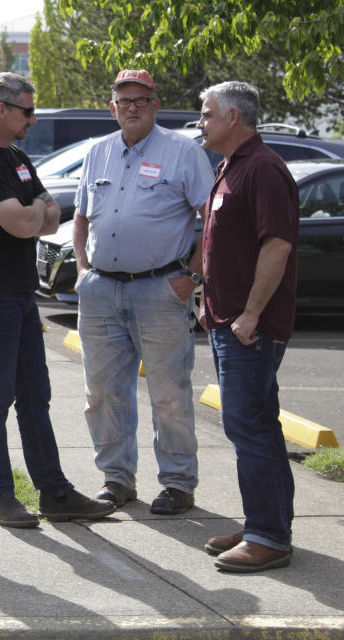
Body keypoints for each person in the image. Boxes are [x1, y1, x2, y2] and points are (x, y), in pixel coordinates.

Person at [0, 72, 115, 528]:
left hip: (21, 294)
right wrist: (35, 213)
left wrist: (35, 212)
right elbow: (26, 224)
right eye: (27, 110)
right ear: (1, 110)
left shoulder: (18, 157)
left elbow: (49, 213)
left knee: (35, 395)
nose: (34, 117)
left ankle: (54, 492)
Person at [73, 69, 214, 515]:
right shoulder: (97, 152)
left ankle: (177, 482)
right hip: (100, 291)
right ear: (112, 107)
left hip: (160, 289)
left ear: (155, 104)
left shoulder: (183, 152)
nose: (131, 107)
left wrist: (192, 278)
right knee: (102, 392)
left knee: (168, 394)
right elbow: (80, 217)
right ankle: (116, 478)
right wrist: (81, 270)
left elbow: (212, 220)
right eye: (123, 100)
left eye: (140, 99)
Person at [196, 81, 298, 573]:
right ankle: (267, 522)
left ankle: (268, 536)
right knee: (258, 424)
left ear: (234, 117)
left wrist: (251, 313)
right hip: (227, 321)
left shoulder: (263, 169)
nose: (200, 122)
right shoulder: (231, 167)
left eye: (207, 114)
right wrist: (208, 301)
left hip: (248, 329)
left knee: (248, 426)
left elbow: (276, 247)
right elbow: (223, 248)